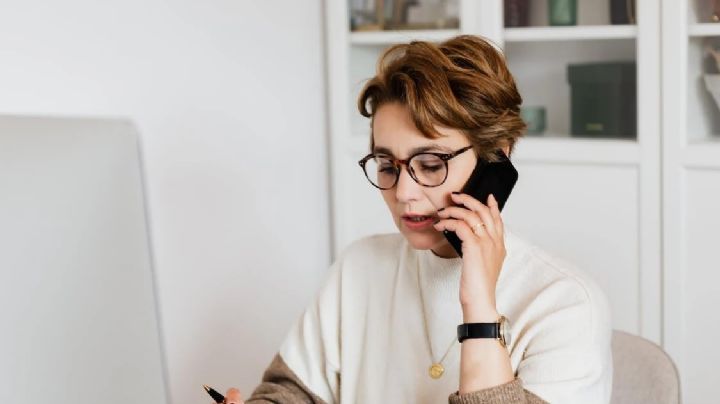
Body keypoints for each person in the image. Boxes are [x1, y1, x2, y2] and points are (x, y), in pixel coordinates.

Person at [221, 35, 613, 403]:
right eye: (387, 164)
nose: (403, 193)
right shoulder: (359, 268)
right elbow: (292, 390)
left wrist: (479, 310)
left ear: (496, 157)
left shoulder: (564, 305)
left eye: (430, 164)